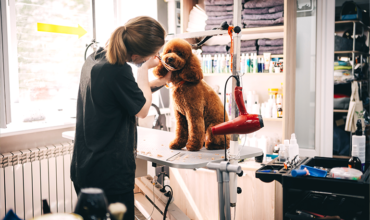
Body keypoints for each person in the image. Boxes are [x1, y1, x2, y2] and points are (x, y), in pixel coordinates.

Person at [71, 16, 170, 220]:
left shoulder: (96, 59)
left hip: (86, 167)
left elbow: (126, 93)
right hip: (109, 174)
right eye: (154, 53)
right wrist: (143, 69)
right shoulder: (118, 70)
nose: (157, 56)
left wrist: (163, 80)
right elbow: (142, 109)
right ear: (138, 53)